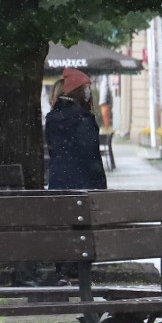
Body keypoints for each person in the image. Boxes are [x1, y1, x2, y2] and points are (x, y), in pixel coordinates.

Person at [45, 69, 107, 285]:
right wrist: (100, 186)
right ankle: (78, 271)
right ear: (79, 92)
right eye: (87, 89)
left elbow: (53, 150)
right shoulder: (84, 119)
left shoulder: (52, 118)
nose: (89, 93)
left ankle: (63, 270)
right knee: (82, 227)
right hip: (82, 182)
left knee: (63, 225)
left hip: (59, 180)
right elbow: (91, 155)